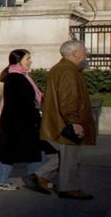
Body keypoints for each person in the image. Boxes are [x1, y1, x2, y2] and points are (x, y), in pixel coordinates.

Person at [0, 49, 57, 192]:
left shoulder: (22, 76)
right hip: (17, 122)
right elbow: (19, 102)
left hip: (23, 120)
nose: (30, 61)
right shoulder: (15, 78)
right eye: (28, 58)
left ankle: (36, 178)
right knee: (8, 152)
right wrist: (34, 115)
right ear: (18, 61)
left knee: (35, 149)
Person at [40, 40, 98, 200]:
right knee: (71, 158)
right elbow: (68, 99)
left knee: (67, 156)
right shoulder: (68, 71)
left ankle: (40, 176)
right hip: (66, 122)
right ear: (75, 54)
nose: (87, 54)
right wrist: (74, 122)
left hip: (59, 121)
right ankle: (70, 188)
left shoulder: (61, 68)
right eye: (84, 51)